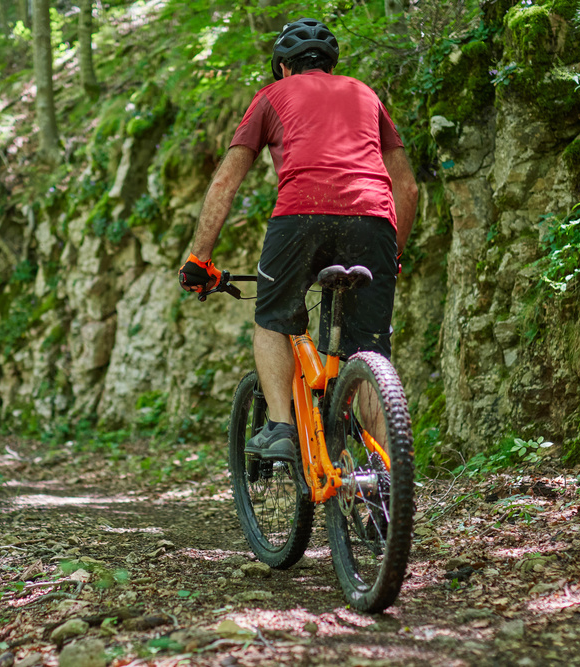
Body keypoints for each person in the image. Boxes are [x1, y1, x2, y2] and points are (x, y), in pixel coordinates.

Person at [178, 17, 418, 464]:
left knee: (272, 317)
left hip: (300, 215)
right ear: (330, 64)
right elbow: (407, 189)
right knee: (368, 352)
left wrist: (199, 258)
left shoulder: (271, 96)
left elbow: (225, 183)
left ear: (284, 68)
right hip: (373, 224)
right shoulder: (366, 95)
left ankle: (281, 427)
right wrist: (393, 255)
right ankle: (388, 486)